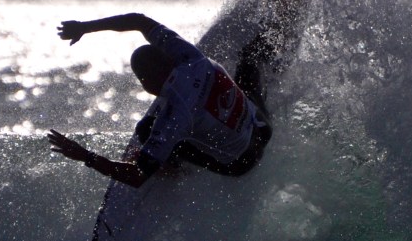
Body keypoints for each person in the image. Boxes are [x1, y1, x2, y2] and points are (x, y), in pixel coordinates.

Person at [47, 13, 274, 187]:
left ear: (146, 83)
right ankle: (280, 20)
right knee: (249, 59)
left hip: (242, 162)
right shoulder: (190, 56)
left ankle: (173, 169)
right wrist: (84, 27)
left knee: (145, 130)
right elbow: (139, 21)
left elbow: (136, 176)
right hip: (262, 126)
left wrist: (85, 156)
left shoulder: (173, 117)